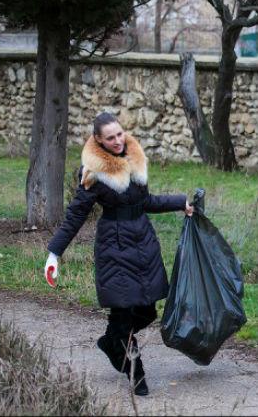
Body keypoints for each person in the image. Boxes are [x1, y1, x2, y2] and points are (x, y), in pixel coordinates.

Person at [44, 112, 194, 396]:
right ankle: (136, 373)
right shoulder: (93, 171)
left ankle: (110, 341)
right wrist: (54, 253)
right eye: (110, 137)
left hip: (144, 244)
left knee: (148, 311)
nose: (117, 140)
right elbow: (76, 214)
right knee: (123, 314)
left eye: (119, 134)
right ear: (98, 140)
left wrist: (180, 202)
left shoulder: (135, 157)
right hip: (114, 247)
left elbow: (146, 201)